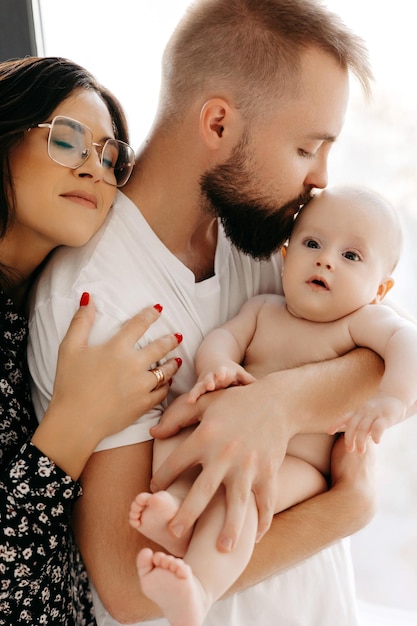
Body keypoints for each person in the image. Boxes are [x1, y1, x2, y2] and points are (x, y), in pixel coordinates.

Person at [27, 1, 396, 624]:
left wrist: (275, 407)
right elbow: (128, 579)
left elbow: (386, 352)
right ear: (219, 123)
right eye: (308, 148)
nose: (322, 180)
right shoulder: (98, 300)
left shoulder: (261, 236)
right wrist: (344, 510)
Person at [128, 185, 417, 625]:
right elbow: (223, 339)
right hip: (229, 437)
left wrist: (392, 400)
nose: (326, 260)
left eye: (351, 257)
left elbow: (407, 341)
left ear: (381, 289)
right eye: (313, 244)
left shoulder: (362, 323)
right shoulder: (264, 308)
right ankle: (177, 508)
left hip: (297, 465)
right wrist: (219, 365)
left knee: (239, 499)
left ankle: (200, 589)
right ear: (285, 254)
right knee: (175, 440)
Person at [0, 56, 182, 626]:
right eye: (68, 141)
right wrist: (77, 422)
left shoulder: (31, 314)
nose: (94, 170)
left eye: (110, 156)